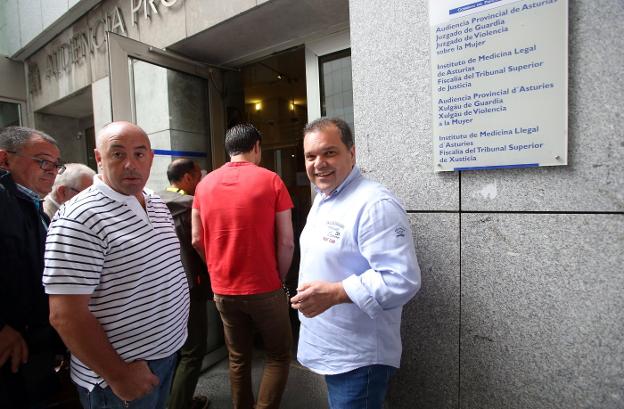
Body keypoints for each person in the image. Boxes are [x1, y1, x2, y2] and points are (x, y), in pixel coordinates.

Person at [43, 121, 190, 409]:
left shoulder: (155, 202)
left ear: (151, 157)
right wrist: (118, 375)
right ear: (99, 158)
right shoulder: (79, 218)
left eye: (139, 154)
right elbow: (65, 315)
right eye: (118, 154)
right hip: (118, 376)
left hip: (164, 356)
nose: (130, 165)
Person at [290, 117, 421, 409]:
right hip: (332, 348)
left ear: (352, 152)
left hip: (359, 357)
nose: (318, 163)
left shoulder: (375, 204)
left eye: (329, 152)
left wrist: (336, 293)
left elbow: (402, 280)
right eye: (311, 156)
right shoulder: (323, 198)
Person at [192, 123, 295, 409]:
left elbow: (197, 239)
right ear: (256, 147)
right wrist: (280, 279)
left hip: (224, 289)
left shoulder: (204, 184)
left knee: (237, 358)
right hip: (266, 286)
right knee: (278, 355)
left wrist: (216, 272)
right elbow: (286, 242)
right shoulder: (272, 180)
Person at [0, 126, 66, 408]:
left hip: (36, 343)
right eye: (42, 161)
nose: (51, 170)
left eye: (55, 164)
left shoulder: (31, 203)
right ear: (4, 160)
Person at [157, 159, 211, 409]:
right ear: (188, 178)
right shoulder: (192, 207)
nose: (200, 182)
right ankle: (180, 404)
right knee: (193, 350)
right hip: (190, 288)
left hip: (160, 289)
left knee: (173, 349)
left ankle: (172, 398)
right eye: (199, 176)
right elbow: (202, 246)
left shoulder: (152, 202)